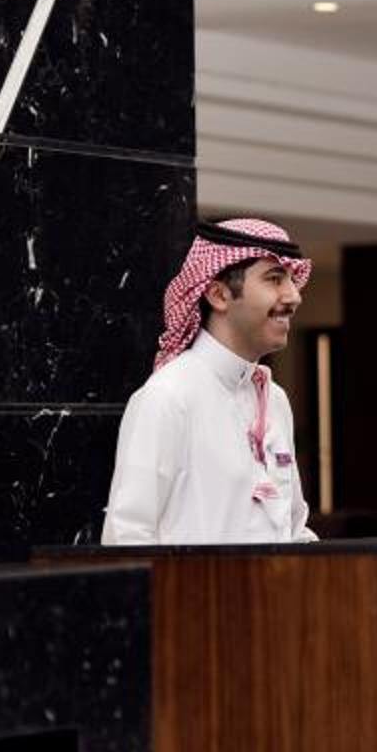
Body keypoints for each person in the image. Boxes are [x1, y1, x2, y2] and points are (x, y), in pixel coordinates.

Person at [102, 217, 317, 545]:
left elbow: (293, 529)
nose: (294, 296)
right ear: (219, 295)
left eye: (291, 279)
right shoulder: (168, 397)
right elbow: (127, 538)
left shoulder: (275, 399)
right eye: (274, 279)